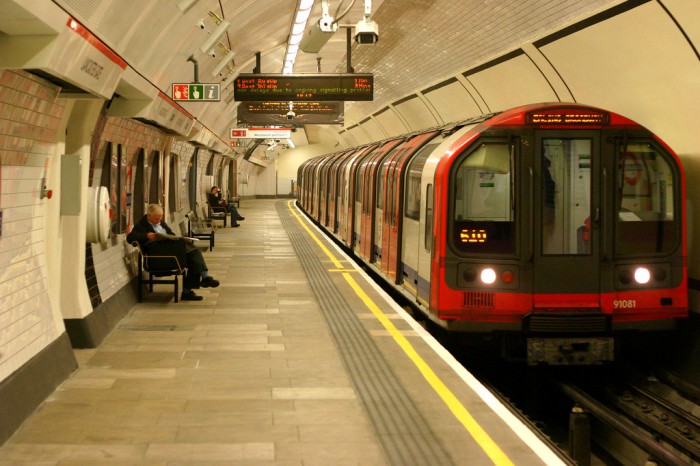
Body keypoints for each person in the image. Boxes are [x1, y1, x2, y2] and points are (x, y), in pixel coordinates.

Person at [127, 204, 219, 301]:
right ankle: (200, 281)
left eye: (160, 218)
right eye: (156, 219)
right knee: (193, 255)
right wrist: (147, 236)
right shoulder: (141, 225)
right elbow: (130, 238)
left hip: (171, 252)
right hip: (159, 257)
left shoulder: (161, 223)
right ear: (149, 215)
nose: (159, 220)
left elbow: (172, 234)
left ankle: (197, 284)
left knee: (193, 258)